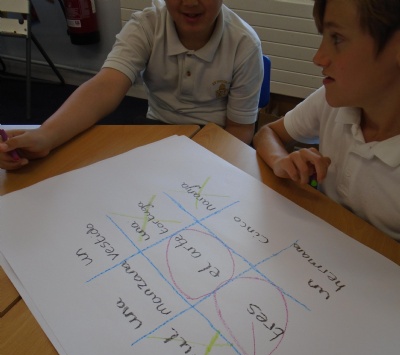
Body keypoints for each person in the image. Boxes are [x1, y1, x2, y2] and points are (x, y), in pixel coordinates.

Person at [0, 0, 263, 169]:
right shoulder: (147, 25)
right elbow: (105, 87)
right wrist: (45, 136)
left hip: (216, 139)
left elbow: (240, 129)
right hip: (159, 129)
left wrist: (209, 168)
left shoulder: (244, 44)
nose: (191, 2)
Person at [253, 0, 400, 241]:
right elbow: (268, 133)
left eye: (337, 39)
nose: (318, 58)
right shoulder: (335, 99)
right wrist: (280, 160)